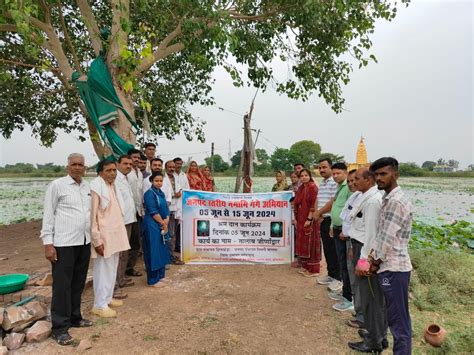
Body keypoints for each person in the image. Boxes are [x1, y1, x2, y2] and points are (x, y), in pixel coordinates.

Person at [40, 153, 93, 345]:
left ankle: (75, 317)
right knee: (62, 286)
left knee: (78, 282)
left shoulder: (87, 187)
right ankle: (60, 327)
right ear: (67, 166)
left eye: (81, 164)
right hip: (63, 244)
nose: (77, 167)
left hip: (84, 242)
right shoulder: (57, 186)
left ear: (85, 167)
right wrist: (48, 243)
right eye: (74, 164)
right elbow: (48, 215)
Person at [368, 157, 413, 355]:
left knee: (398, 320)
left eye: (383, 174)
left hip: (394, 267)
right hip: (391, 266)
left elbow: (386, 239)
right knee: (395, 316)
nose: (379, 178)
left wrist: (375, 262)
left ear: (396, 175)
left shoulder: (395, 201)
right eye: (376, 174)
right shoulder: (390, 198)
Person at [348, 167, 387, 353]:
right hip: (359, 247)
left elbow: (371, 235)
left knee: (371, 298)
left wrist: (364, 261)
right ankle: (376, 334)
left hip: (366, 252)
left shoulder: (372, 201)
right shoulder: (365, 196)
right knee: (369, 297)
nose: (354, 182)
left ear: (368, 180)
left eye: (357, 179)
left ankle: (374, 341)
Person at [90, 159, 130, 318]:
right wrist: (96, 239)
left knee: (112, 266)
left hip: (115, 233)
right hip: (104, 236)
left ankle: (107, 299)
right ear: (100, 172)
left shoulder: (111, 186)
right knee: (102, 270)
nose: (112, 173)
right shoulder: (96, 187)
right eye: (108, 170)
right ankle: (99, 305)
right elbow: (92, 217)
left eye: (114, 170)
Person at [333, 170, 363, 320]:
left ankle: (354, 304)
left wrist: (350, 242)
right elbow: (346, 216)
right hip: (347, 238)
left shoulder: (368, 199)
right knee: (347, 268)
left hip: (356, 242)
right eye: (350, 181)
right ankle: (350, 298)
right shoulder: (356, 196)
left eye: (355, 180)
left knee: (355, 273)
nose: (352, 183)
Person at [329, 162, 353, 312]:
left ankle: (349, 298)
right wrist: (332, 225)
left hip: (345, 233)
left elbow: (351, 212)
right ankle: (345, 292)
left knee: (347, 265)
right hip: (337, 229)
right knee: (341, 262)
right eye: (334, 174)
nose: (335, 176)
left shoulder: (349, 188)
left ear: (345, 172)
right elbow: (336, 207)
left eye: (338, 173)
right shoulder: (340, 187)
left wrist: (345, 230)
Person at [142, 171, 172, 287]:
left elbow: (165, 207)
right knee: (153, 252)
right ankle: (153, 280)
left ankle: (160, 276)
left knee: (161, 250)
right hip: (152, 225)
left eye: (161, 181)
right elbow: (153, 211)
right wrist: (163, 223)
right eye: (156, 181)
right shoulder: (149, 194)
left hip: (162, 223)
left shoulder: (161, 193)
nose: (159, 183)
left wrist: (167, 219)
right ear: (151, 181)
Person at [314, 158, 339, 286]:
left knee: (334, 250)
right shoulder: (322, 183)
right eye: (320, 168)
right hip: (322, 219)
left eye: (324, 167)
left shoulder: (334, 183)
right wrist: (317, 214)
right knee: (327, 250)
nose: (322, 170)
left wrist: (319, 213)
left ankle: (337, 278)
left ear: (330, 167)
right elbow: (318, 199)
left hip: (330, 220)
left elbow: (332, 202)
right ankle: (330, 274)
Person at [114, 155, 137, 296]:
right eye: (125, 163)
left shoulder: (126, 179)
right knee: (119, 254)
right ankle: (116, 283)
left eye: (130, 164)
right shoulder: (116, 179)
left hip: (129, 219)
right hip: (121, 221)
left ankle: (121, 278)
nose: (128, 166)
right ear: (118, 164)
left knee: (125, 253)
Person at [293, 168, 321, 276]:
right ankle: (306, 266)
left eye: (306, 175)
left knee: (311, 243)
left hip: (310, 219)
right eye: (302, 176)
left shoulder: (313, 187)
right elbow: (296, 203)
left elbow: (314, 204)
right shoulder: (301, 188)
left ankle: (313, 269)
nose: (304, 177)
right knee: (303, 242)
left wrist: (309, 219)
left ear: (310, 176)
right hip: (301, 218)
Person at [126, 148, 144, 278]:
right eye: (134, 157)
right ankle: (121, 272)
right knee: (125, 243)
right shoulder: (126, 173)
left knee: (135, 242)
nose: (136, 160)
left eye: (138, 158)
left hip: (138, 211)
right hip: (127, 213)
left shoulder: (140, 173)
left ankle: (129, 268)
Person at [162, 160, 184, 264]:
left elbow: (180, 191)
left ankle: (170, 255)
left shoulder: (176, 178)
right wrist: (173, 195)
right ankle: (168, 257)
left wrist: (179, 193)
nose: (171, 169)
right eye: (169, 167)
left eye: (173, 167)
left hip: (176, 210)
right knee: (170, 234)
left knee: (173, 234)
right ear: (165, 168)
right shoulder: (163, 179)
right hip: (168, 210)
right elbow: (162, 194)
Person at [173, 157, 190, 253]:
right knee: (172, 226)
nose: (179, 165)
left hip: (182, 203)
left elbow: (187, 189)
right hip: (173, 202)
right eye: (177, 163)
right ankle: (172, 246)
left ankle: (178, 245)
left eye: (180, 163)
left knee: (180, 226)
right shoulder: (170, 175)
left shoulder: (184, 175)